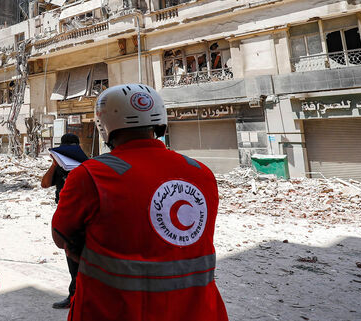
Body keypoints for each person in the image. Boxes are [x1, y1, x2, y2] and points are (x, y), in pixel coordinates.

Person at [51, 84, 228, 321]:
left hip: (113, 310)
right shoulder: (201, 173)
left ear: (104, 126)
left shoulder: (91, 175)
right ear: (159, 122)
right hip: (199, 312)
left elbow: (61, 235)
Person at [40, 133, 89, 309]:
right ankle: (74, 296)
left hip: (83, 215)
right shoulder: (60, 168)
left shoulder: (86, 165)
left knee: (79, 257)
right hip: (65, 213)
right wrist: (54, 164)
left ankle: (79, 296)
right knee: (71, 256)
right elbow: (45, 184)